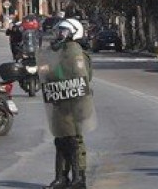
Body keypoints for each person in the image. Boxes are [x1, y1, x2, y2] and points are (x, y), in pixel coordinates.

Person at [39, 18, 93, 189]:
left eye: (63, 31)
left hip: (74, 102)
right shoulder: (59, 53)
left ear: (74, 32)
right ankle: (61, 177)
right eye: (59, 31)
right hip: (60, 101)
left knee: (74, 140)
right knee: (60, 139)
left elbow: (83, 78)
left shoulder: (78, 54)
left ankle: (79, 178)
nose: (59, 34)